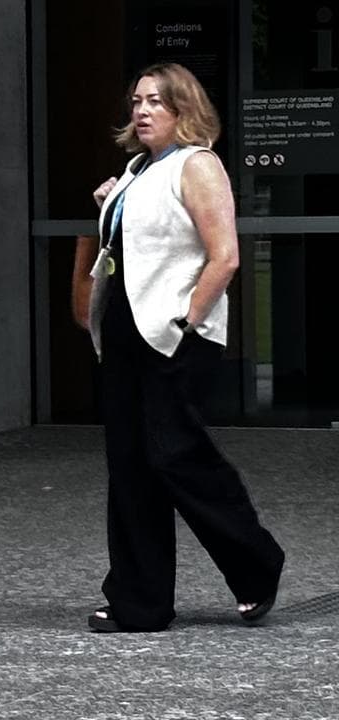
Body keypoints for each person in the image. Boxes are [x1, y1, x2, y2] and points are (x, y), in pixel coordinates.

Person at [83, 63, 285, 632]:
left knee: (176, 455)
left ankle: (256, 562)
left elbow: (225, 256)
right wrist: (112, 198)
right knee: (130, 468)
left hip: (172, 335)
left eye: (157, 102)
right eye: (137, 102)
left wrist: (186, 322)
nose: (142, 111)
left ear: (184, 110)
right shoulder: (137, 170)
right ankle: (139, 603)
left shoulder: (197, 165)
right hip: (126, 334)